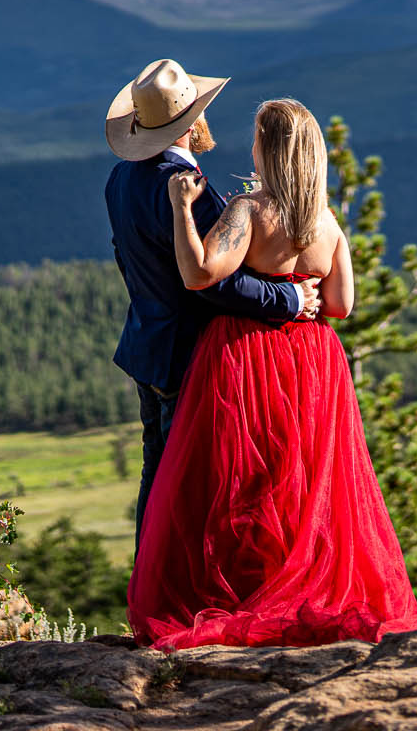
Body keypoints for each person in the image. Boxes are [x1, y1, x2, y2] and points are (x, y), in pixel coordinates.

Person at [127, 97, 417, 649]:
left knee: (241, 486)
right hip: (314, 366)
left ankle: (242, 595)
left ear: (268, 150)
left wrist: (178, 209)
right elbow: (340, 303)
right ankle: (304, 590)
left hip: (247, 358)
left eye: (257, 140)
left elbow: (198, 275)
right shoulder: (326, 220)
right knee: (303, 484)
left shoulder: (246, 210)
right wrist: (300, 290)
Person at [104, 59, 318, 544]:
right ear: (191, 123)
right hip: (195, 359)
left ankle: (148, 584)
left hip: (147, 346)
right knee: (201, 485)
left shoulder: (121, 178)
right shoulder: (191, 192)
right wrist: (288, 298)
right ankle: (188, 595)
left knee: (156, 476)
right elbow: (214, 283)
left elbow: (126, 259)